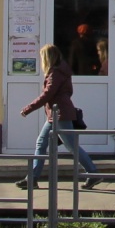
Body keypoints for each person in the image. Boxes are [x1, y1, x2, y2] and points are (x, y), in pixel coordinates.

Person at [18, 43, 97, 193]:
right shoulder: (60, 71)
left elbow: (48, 94)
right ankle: (33, 178)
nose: (41, 61)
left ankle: (93, 172)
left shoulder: (56, 73)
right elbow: (67, 92)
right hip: (55, 115)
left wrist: (28, 109)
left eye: (42, 58)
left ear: (48, 58)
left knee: (71, 146)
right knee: (41, 143)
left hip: (60, 115)